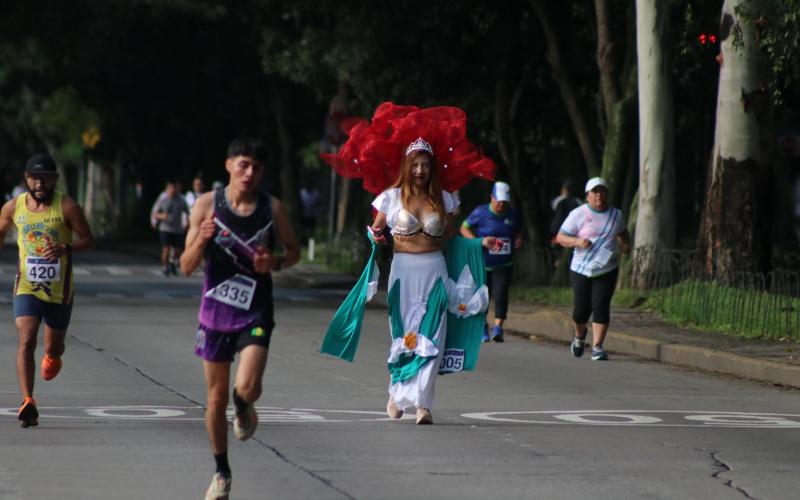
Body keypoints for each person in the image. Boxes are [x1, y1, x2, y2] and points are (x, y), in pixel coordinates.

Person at [180, 137, 299, 500]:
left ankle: (244, 406)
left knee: (247, 387)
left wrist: (274, 263)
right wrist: (201, 239)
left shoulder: (271, 209)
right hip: (214, 313)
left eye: (257, 168)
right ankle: (221, 473)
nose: (249, 173)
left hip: (255, 311)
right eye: (243, 164)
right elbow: (185, 266)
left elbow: (293, 251)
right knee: (215, 399)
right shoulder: (206, 205)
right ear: (229, 165)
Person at [369, 137, 460, 425]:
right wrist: (376, 236)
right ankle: (397, 391)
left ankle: (423, 404)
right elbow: (375, 230)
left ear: (432, 168)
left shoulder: (445, 198)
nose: (420, 170)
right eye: (415, 164)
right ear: (407, 167)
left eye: (425, 165)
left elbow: (452, 235)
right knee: (404, 333)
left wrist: (482, 245)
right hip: (403, 272)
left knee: (433, 334)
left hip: (434, 270)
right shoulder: (391, 198)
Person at [0, 153, 95, 428]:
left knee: (53, 347)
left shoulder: (67, 207)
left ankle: (53, 356)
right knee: (26, 340)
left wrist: (66, 248)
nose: (39, 182)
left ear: (54, 180)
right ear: (26, 179)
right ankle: (28, 401)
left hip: (59, 290)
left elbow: (89, 241)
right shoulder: (12, 207)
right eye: (34, 177)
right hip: (27, 286)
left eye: (45, 177)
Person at [556, 177, 630, 361]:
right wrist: (577, 241)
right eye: (595, 192)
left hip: (607, 268)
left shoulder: (616, 215)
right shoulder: (578, 214)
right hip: (581, 268)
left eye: (602, 191)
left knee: (601, 305)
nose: (599, 195)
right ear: (587, 195)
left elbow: (622, 232)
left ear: (607, 194)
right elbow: (560, 237)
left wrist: (625, 244)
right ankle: (580, 336)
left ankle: (597, 346)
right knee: (581, 310)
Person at [460, 181, 523, 343]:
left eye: (505, 202)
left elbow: (518, 231)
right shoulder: (481, 212)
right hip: (482, 262)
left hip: (504, 263)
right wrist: (477, 242)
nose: (502, 205)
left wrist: (518, 240)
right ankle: (482, 327)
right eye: (499, 201)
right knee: (482, 296)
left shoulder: (513, 214)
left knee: (501, 294)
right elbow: (464, 228)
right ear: (492, 198)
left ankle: (498, 328)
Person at [154, 180, 189, 276]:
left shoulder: (181, 201)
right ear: (167, 189)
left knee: (178, 250)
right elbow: (155, 213)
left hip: (178, 229)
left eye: (174, 188)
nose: (173, 190)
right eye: (170, 188)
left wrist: (188, 223)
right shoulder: (163, 200)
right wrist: (161, 216)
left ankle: (173, 262)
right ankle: (165, 266)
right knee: (166, 249)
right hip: (165, 228)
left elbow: (188, 212)